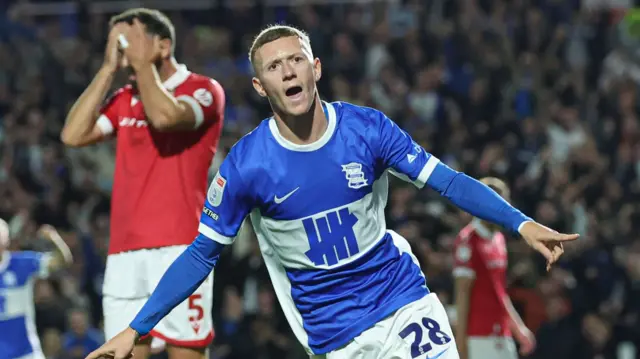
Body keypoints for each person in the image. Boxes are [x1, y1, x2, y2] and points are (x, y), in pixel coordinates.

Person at [87, 25, 577, 359]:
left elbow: (446, 181)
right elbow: (200, 257)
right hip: (332, 331)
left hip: (400, 297)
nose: (288, 71)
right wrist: (137, 327)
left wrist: (521, 223)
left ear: (315, 68)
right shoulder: (247, 166)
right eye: (274, 66)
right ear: (260, 86)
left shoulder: (367, 129)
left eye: (296, 59)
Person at [60, 8, 225, 359]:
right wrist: (107, 69)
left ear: (163, 45)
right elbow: (73, 135)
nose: (124, 48)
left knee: (187, 353)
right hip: (123, 253)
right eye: (117, 42)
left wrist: (142, 65)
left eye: (131, 39)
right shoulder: (125, 98)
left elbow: (165, 118)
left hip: (180, 249)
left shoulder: (203, 90)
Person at [453, 177, 536, 359]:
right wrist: (461, 344)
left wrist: (518, 328)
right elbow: (462, 294)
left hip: (501, 333)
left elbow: (499, 292)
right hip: (479, 337)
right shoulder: (468, 241)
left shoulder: (499, 240)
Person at [0, 219, 73, 359]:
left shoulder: (22, 263)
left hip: (26, 353)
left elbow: (63, 261)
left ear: (6, 240)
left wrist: (54, 239)